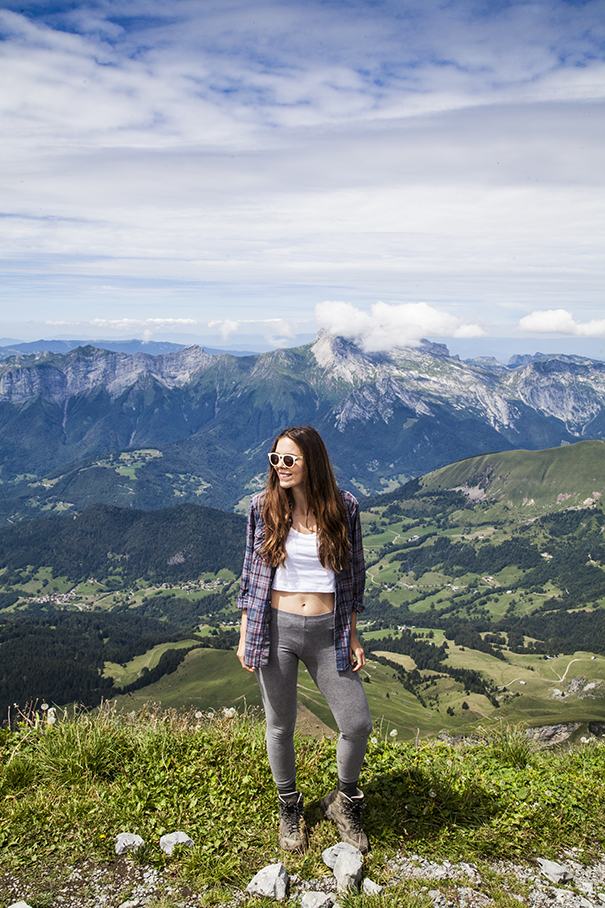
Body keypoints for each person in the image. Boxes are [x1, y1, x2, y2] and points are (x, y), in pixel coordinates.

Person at [237, 425, 372, 853]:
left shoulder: (344, 507)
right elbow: (250, 575)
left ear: (311, 462)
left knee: (356, 723)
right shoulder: (262, 507)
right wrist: (245, 636)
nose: (281, 467)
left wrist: (351, 635)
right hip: (275, 628)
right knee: (280, 726)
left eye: (289, 460)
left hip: (327, 630)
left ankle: (343, 799)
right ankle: (289, 806)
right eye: (275, 459)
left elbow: (353, 577)